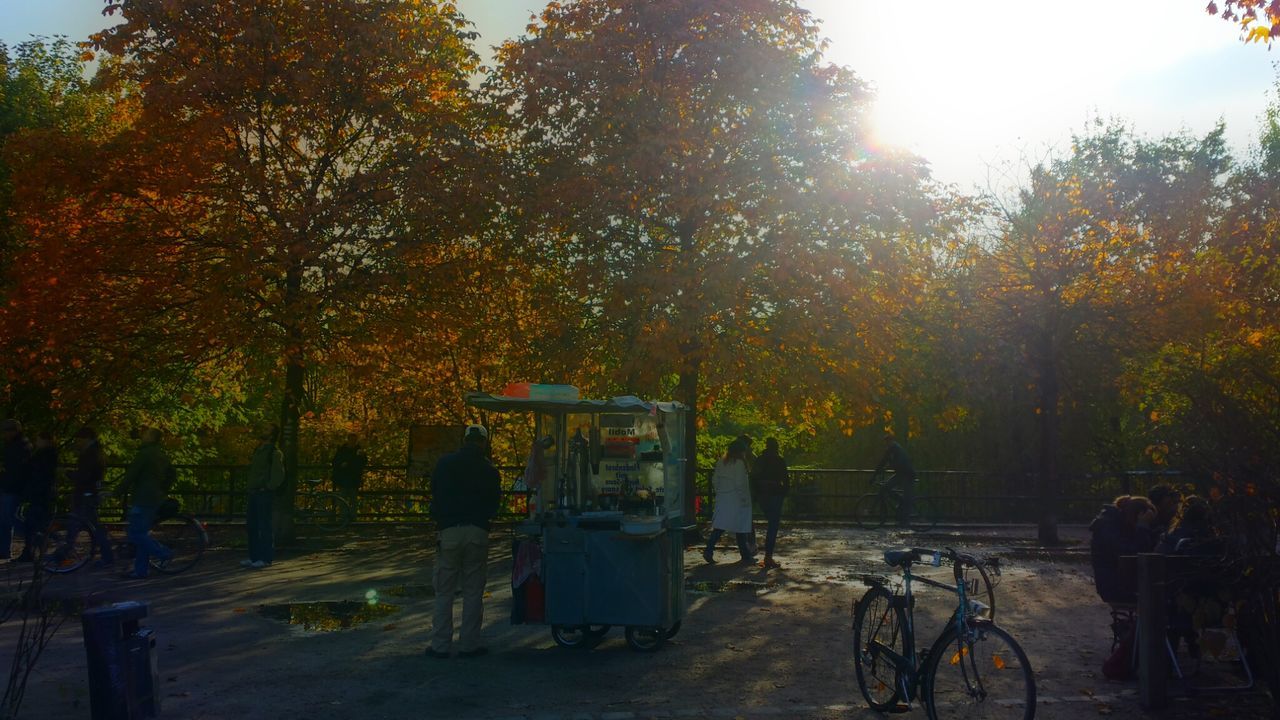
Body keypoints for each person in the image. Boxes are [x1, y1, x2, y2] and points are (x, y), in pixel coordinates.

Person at [427, 424, 501, 659]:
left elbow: (434, 492)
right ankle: (469, 644)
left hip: (448, 531)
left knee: (444, 591)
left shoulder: (445, 464)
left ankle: (440, 645)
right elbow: (494, 505)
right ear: (483, 442)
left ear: (464, 440)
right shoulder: (489, 470)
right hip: (477, 531)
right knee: (473, 591)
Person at [114, 427, 174, 579]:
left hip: (143, 498)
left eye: (146, 434)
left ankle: (164, 553)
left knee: (136, 533)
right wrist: (163, 490)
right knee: (142, 533)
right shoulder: (161, 455)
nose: (143, 435)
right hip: (155, 498)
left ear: (152, 438)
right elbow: (172, 474)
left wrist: (116, 492)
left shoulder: (145, 454)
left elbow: (130, 476)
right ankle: (141, 570)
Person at [1088, 494, 1157, 604]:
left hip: (1120, 584)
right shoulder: (1109, 527)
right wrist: (1143, 527)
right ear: (1138, 515)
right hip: (1116, 588)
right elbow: (1135, 553)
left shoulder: (1118, 524)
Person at [62, 426, 114, 568]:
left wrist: (70, 474)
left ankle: (64, 553)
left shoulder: (90, 454)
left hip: (86, 493)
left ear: (87, 439)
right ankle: (106, 555)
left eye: (79, 439)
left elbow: (85, 475)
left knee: (77, 524)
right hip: (89, 492)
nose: (78, 442)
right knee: (92, 526)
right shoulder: (95, 452)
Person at [703, 438, 754, 565]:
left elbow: (715, 480)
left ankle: (709, 550)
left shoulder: (721, 462)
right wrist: (744, 499)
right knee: (740, 527)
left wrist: (720, 492)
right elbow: (739, 484)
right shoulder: (739, 464)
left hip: (723, 498)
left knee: (720, 526)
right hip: (736, 499)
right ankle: (746, 555)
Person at [242, 423, 284, 569]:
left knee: (264, 526)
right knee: (252, 525)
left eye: (266, 428)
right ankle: (254, 557)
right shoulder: (258, 450)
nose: (263, 430)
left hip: (263, 492)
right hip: (254, 491)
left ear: (272, 435)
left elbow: (278, 475)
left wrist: (268, 487)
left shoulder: (274, 452)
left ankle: (266, 558)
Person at [751, 437, 790, 570]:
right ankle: (768, 556)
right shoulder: (779, 460)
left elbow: (753, 477)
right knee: (773, 525)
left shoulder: (760, 460)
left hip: (762, 494)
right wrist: (784, 492)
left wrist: (756, 494)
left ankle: (767, 556)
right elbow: (785, 478)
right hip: (775, 493)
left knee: (770, 520)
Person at [19, 431, 58, 561]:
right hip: (42, 493)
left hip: (40, 494)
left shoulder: (45, 455)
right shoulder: (48, 454)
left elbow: (39, 474)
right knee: (38, 524)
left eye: (38, 439)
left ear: (45, 440)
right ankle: (35, 550)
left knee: (33, 524)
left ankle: (31, 551)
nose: (37, 442)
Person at [0, 418, 32, 561]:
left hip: (13, 488)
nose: (4, 434)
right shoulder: (15, 445)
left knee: (10, 517)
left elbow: (18, 471)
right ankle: (3, 550)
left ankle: (33, 538)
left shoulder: (20, 446)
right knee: (5, 519)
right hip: (9, 486)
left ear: (13, 431)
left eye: (6, 431)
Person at [874, 434, 916, 527]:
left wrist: (875, 475)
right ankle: (899, 501)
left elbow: (884, 461)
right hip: (901, 474)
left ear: (890, 441)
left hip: (907, 475)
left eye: (887, 442)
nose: (886, 444)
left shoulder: (894, 448)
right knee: (886, 487)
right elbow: (885, 461)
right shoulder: (895, 448)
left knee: (907, 498)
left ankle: (905, 521)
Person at [330, 433, 367, 517]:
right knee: (343, 499)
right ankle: (343, 517)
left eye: (354, 440)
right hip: (344, 478)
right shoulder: (342, 450)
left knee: (353, 500)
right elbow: (335, 462)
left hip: (354, 478)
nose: (353, 442)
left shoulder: (359, 450)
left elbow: (364, 462)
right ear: (348, 440)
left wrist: (363, 456)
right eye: (351, 440)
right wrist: (341, 464)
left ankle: (352, 517)